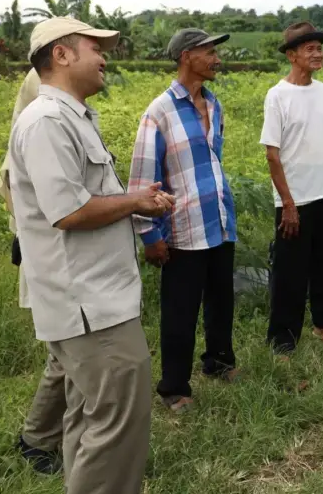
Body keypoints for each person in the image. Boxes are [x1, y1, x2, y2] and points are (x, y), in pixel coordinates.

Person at [8, 17, 174, 493]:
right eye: (95, 47)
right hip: (89, 307)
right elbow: (68, 211)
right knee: (117, 427)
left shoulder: (73, 118)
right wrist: (137, 201)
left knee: (87, 421)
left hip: (97, 300)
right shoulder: (46, 122)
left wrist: (131, 199)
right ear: (61, 55)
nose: (105, 57)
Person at [128, 28, 239, 413]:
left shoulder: (215, 105)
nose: (217, 58)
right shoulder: (158, 112)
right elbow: (143, 179)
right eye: (209, 51)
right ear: (186, 56)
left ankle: (219, 361)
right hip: (183, 228)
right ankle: (174, 387)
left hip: (220, 218)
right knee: (181, 309)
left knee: (221, 299)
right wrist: (149, 234)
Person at [261, 21, 323, 355]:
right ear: (292, 55)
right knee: (290, 272)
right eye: (309, 48)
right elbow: (273, 154)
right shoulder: (277, 95)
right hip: (295, 200)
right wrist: (288, 203)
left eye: (319, 47)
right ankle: (283, 338)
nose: (317, 53)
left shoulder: (322, 90)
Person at [0, 68, 65, 474]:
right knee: (64, 353)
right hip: (49, 257)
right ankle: (36, 439)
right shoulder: (38, 130)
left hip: (62, 258)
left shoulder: (58, 125)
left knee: (68, 352)